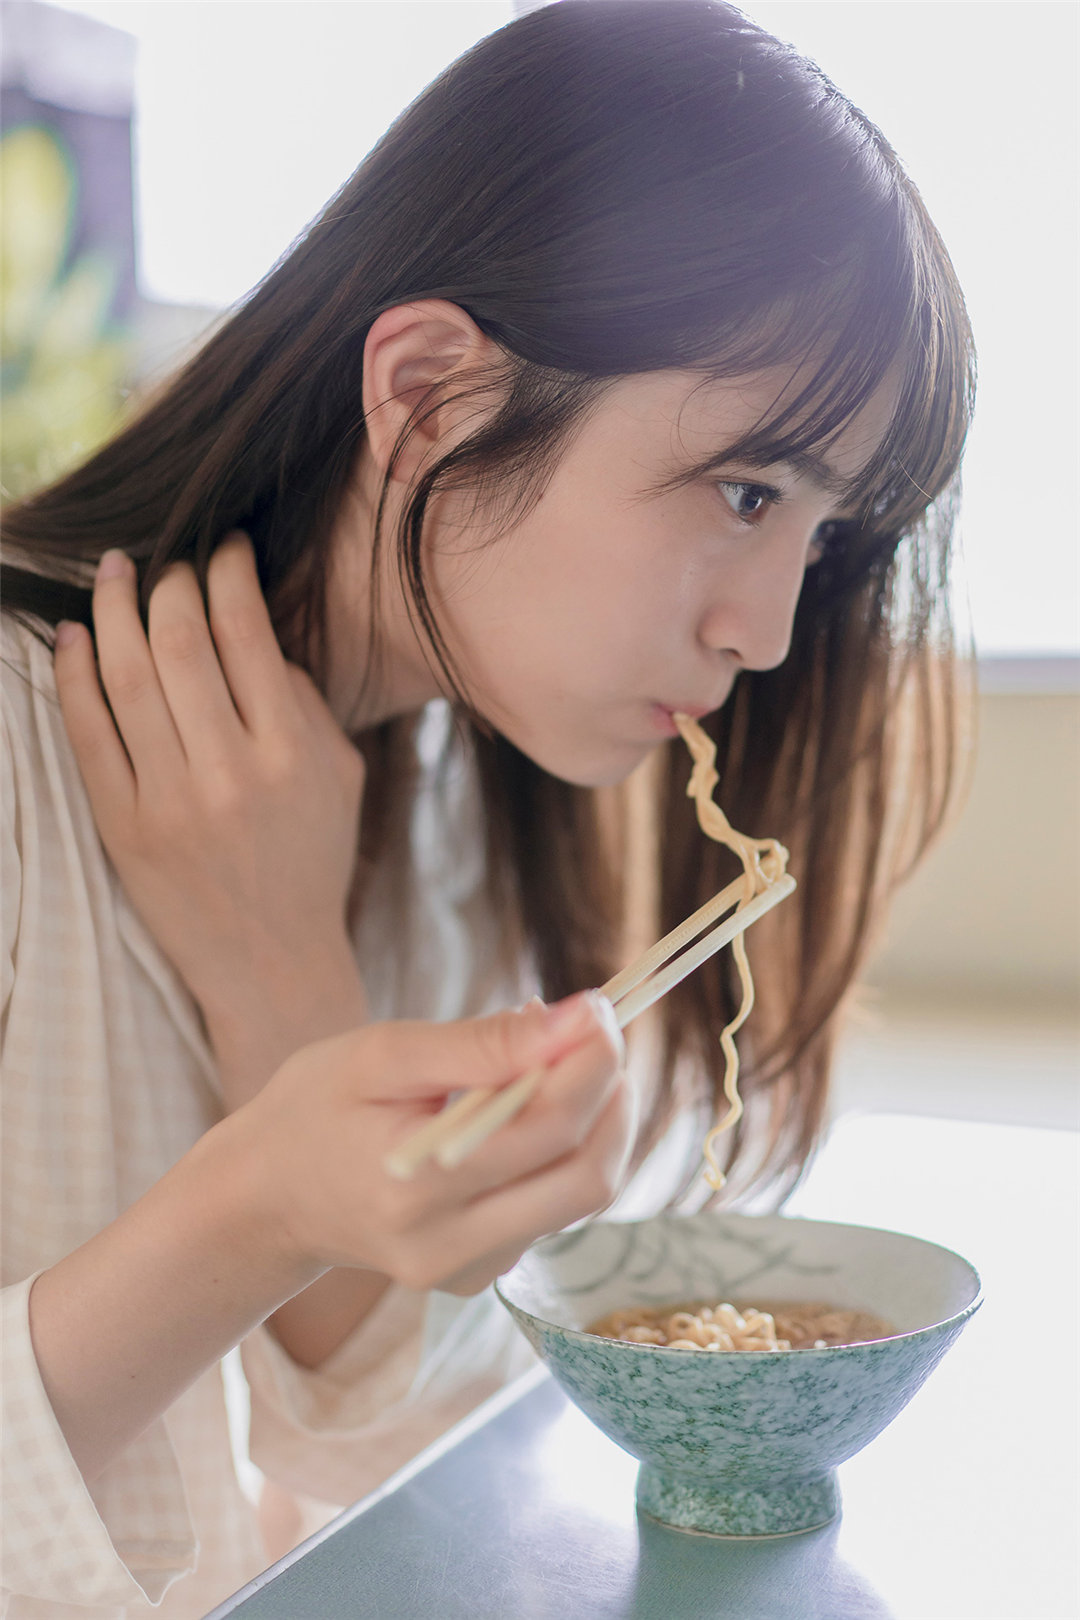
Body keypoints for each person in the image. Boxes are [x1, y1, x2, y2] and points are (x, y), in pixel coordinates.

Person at [0, 1, 974, 1612]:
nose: (773, 632)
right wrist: (260, 1196)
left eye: (817, 537)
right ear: (434, 394)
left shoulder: (452, 800)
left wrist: (278, 979)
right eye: (746, 490)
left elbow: (404, 1462)